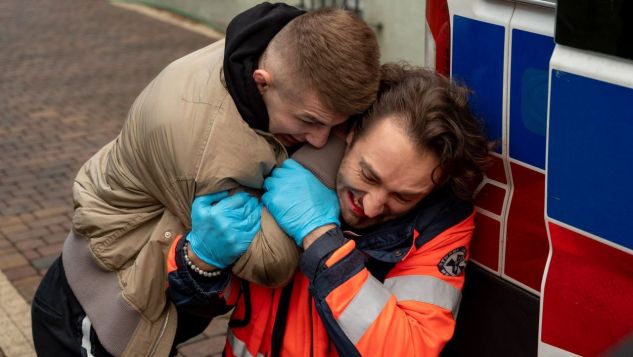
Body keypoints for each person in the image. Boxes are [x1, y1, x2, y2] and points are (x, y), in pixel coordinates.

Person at [31, 3, 380, 356]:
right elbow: (270, 261)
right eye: (310, 121)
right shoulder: (211, 147)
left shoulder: (270, 47)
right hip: (95, 315)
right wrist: (329, 156)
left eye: (334, 125)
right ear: (263, 84)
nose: (318, 138)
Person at [167, 64, 490, 356]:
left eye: (403, 196)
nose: (372, 206)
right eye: (369, 175)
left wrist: (319, 236)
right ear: (347, 135)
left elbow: (407, 349)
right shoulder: (284, 157)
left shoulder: (441, 224)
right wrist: (200, 263)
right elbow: (193, 305)